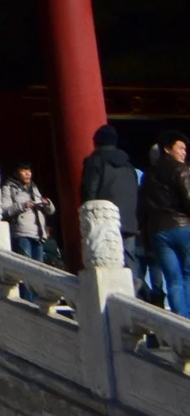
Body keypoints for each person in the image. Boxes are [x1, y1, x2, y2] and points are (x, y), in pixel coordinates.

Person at [79, 124, 143, 293]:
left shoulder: (95, 161)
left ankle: (111, 295)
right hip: (129, 220)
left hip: (104, 220)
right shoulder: (129, 165)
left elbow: (89, 189)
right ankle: (133, 295)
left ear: (96, 142)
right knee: (129, 260)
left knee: (106, 260)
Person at [140, 132, 190, 313]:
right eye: (180, 148)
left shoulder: (147, 176)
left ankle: (180, 319)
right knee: (188, 275)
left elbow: (143, 208)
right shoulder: (181, 169)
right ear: (167, 149)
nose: (184, 152)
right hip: (183, 227)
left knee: (173, 280)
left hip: (159, 232)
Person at [0, 162, 54, 263]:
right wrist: (22, 205)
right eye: (23, 170)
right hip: (22, 233)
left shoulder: (34, 187)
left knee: (39, 267)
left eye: (29, 171)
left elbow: (51, 211)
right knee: (27, 265)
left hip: (38, 234)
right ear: (16, 173)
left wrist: (47, 203)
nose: (27, 173)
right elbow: (4, 211)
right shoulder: (8, 188)